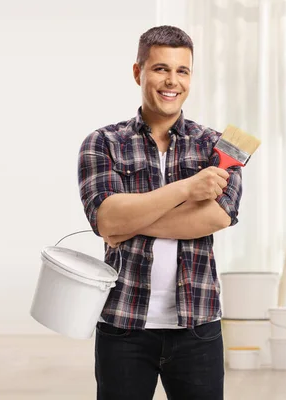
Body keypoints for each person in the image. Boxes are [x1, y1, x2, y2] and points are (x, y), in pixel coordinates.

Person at [78, 25, 243, 400]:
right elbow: (105, 218)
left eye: (182, 71)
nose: (172, 81)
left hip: (198, 327)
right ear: (138, 72)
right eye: (160, 69)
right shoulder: (102, 143)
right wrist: (187, 189)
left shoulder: (218, 145)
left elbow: (218, 216)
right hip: (123, 327)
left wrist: (127, 222)